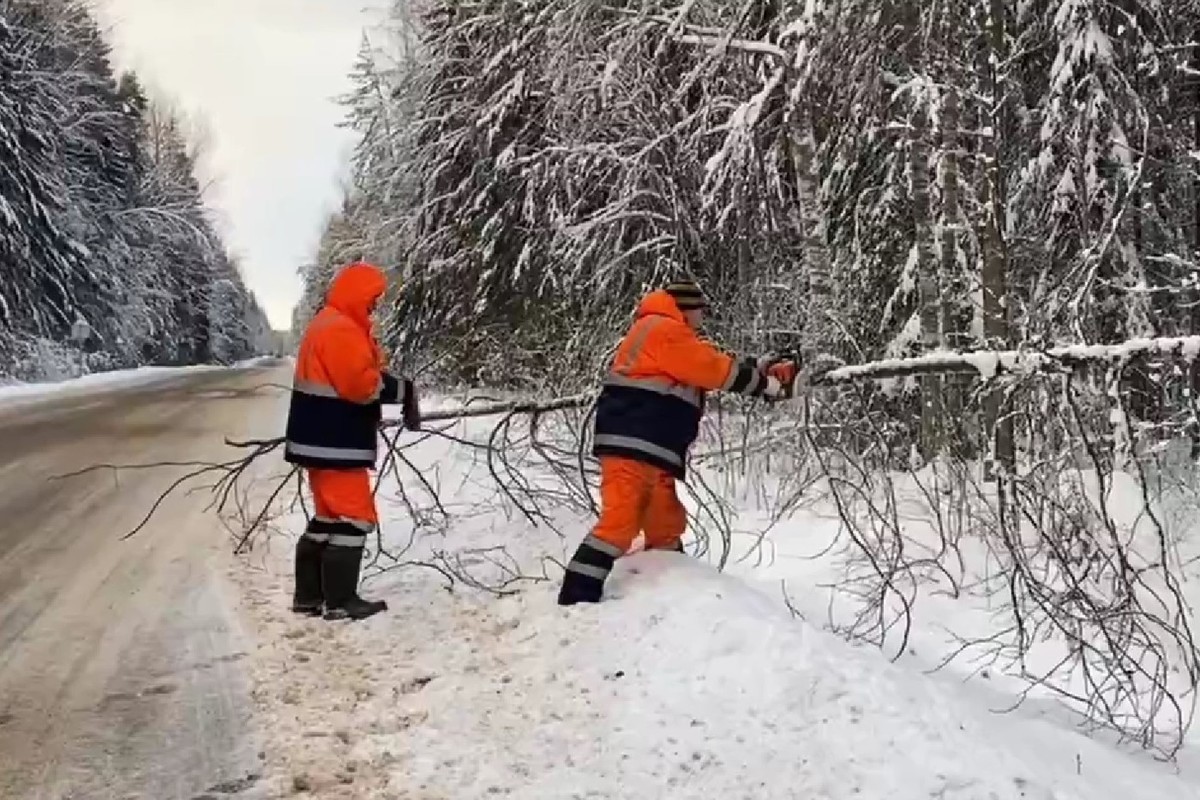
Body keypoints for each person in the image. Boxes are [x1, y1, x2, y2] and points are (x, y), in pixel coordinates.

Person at [557, 280, 798, 606]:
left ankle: (668, 595)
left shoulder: (668, 334)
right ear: (686, 308)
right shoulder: (663, 329)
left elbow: (708, 361)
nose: (703, 318)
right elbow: (711, 369)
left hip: (649, 447)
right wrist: (767, 386)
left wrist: (763, 367)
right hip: (632, 442)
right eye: (700, 311)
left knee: (665, 524)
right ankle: (576, 600)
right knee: (619, 522)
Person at [283, 261, 421, 621]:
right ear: (356, 294)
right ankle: (341, 601)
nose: (375, 306)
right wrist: (401, 391)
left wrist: (397, 387)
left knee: (329, 518)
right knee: (356, 517)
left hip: (318, 442)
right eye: (373, 298)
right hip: (336, 441)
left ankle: (309, 597)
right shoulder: (341, 329)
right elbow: (361, 386)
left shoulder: (327, 324)